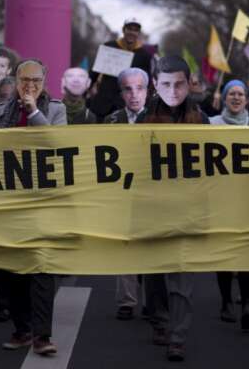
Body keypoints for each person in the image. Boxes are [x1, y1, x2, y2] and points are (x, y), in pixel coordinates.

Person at [0, 59, 66, 357]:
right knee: (10, 270)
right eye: (25, 80)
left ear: (44, 81)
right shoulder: (0, 112)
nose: (30, 86)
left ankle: (42, 335)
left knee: (41, 267)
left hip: (43, 201)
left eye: (36, 80)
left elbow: (56, 143)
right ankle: (22, 328)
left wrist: (34, 111)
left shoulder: (56, 110)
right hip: (9, 201)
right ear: (15, 80)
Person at [142, 55, 210, 362]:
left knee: (182, 275)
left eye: (179, 84)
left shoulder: (202, 120)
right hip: (154, 209)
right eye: (166, 84)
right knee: (155, 274)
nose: (173, 90)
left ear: (189, 84)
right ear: (156, 84)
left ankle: (178, 336)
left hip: (188, 208)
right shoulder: (144, 119)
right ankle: (159, 320)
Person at [207, 79, 249, 330]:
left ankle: (248, 302)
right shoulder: (211, 124)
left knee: (247, 255)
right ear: (224, 98)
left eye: (240, 94)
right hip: (220, 201)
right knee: (225, 256)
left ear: (247, 100)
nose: (236, 98)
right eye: (231, 94)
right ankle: (227, 301)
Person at [105, 67, 149, 321]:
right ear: (121, 93)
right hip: (122, 193)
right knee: (126, 247)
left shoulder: (159, 119)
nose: (134, 95)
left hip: (151, 193)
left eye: (139, 88)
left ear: (147, 91)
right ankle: (127, 300)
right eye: (128, 89)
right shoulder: (111, 121)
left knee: (151, 247)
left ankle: (152, 300)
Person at [89, 17, 154, 118]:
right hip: (103, 104)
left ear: (138, 33)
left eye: (135, 30)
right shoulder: (108, 47)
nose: (132, 32)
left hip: (127, 107)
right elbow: (94, 73)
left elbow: (146, 82)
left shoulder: (144, 55)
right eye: (129, 29)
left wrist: (146, 103)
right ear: (123, 30)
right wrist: (83, 92)